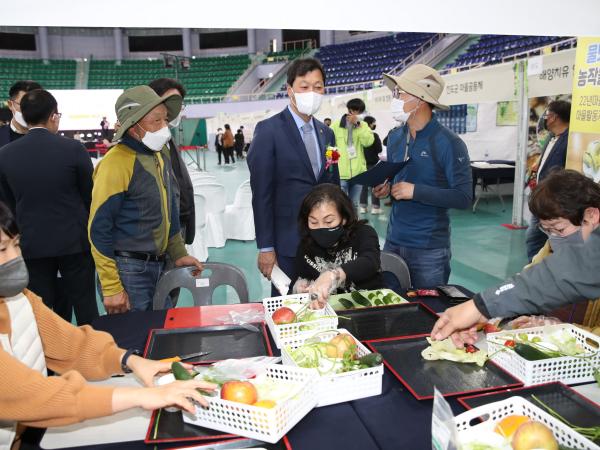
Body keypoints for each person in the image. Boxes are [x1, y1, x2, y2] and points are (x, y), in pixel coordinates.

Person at [0, 202, 215, 449]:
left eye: (16, 245)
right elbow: (34, 396)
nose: (14, 258)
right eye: (2, 249)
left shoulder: (20, 298)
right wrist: (143, 396)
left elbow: (72, 344)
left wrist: (131, 361)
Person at [431, 169, 600, 346]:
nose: (554, 238)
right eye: (548, 230)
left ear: (591, 215)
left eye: (559, 229)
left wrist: (564, 331)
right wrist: (494, 314)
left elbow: (555, 279)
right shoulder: (558, 243)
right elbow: (529, 281)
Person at [89, 86, 203, 313]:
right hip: (129, 272)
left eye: (165, 120)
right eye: (156, 121)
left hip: (161, 266)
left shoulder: (160, 154)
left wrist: (179, 254)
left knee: (163, 335)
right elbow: (98, 228)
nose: (164, 127)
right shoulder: (116, 163)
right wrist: (111, 286)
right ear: (133, 127)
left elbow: (169, 210)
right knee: (137, 343)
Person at [0, 89, 99, 325]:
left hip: (32, 243)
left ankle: (50, 359)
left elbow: (7, 203)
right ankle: (95, 359)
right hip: (74, 242)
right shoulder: (73, 149)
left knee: (41, 310)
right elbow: (89, 196)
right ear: (54, 116)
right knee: (85, 306)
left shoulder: (5, 155)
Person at [373, 64, 472, 288]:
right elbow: (398, 176)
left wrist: (415, 191)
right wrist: (387, 188)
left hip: (429, 249)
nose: (395, 98)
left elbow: (463, 197)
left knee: (428, 313)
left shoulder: (449, 143)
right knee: (391, 308)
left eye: (400, 93)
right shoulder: (396, 136)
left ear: (420, 99)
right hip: (393, 240)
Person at [247, 58, 339, 295]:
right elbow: (262, 195)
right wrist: (266, 247)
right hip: (287, 245)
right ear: (290, 90)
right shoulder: (269, 131)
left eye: (318, 87)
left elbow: (333, 187)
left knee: (321, 303)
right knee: (288, 310)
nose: (312, 92)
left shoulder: (326, 133)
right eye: (304, 86)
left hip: (323, 242)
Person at [294, 184, 384, 308]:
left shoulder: (363, 233)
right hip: (329, 313)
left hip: (369, 307)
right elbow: (301, 278)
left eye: (329, 221)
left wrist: (333, 275)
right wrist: (302, 287)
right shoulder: (306, 245)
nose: (321, 228)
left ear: (344, 218)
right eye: (313, 222)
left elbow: (371, 261)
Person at [148, 78, 196, 245]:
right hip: (158, 231)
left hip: (178, 223)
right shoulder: (145, 144)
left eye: (179, 104)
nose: (175, 109)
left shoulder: (168, 138)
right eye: (170, 102)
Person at [525, 100, 571, 261]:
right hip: (542, 196)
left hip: (553, 200)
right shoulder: (552, 137)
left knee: (534, 238)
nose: (544, 119)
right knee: (538, 239)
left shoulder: (568, 141)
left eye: (547, 115)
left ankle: (534, 271)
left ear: (553, 117)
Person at [330, 98, 374, 205]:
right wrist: (332, 168)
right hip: (341, 174)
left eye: (360, 112)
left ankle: (353, 222)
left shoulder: (363, 125)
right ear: (349, 110)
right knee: (341, 206)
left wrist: (358, 126)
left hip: (358, 174)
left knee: (354, 205)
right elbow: (329, 147)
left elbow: (368, 142)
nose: (357, 114)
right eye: (355, 110)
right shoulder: (335, 126)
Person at [0, 80, 42, 148]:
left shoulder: (52, 140)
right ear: (10, 105)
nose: (30, 110)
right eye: (24, 104)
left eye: (36, 105)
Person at [359, 116, 383, 215]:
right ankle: (375, 208)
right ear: (369, 124)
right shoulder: (374, 135)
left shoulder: (359, 135)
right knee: (375, 186)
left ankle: (363, 207)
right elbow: (379, 150)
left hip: (362, 165)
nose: (374, 125)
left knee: (363, 187)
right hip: (373, 164)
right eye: (373, 123)